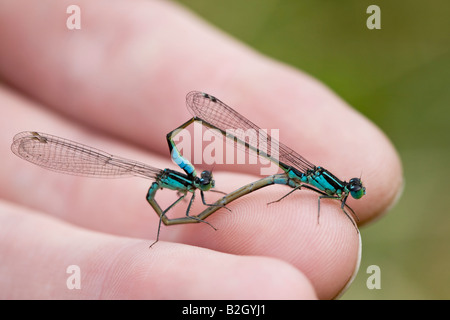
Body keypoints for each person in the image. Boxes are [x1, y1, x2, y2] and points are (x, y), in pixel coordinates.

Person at [0, 0, 403, 299]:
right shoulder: (322, 187)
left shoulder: (328, 188)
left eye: (348, 190)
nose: (348, 191)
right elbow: (313, 197)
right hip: (198, 174)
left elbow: (317, 197)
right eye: (348, 189)